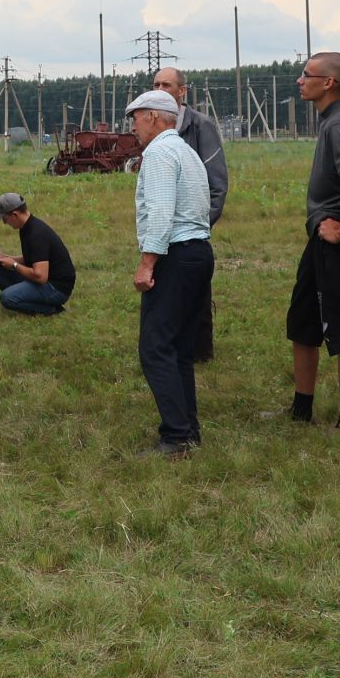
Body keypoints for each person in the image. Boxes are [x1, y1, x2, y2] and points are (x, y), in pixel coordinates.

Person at [285, 52, 340, 430]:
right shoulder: (334, 121)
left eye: (307, 74)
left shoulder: (339, 125)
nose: (299, 81)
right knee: (303, 322)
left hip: (335, 241)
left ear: (329, 83)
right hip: (321, 240)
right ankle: (301, 410)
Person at [126, 88, 215, 456]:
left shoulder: (160, 152)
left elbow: (161, 214)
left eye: (135, 117)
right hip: (198, 253)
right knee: (178, 349)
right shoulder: (185, 150)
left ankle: (177, 436)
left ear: (153, 116)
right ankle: (187, 429)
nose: (132, 126)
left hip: (174, 255)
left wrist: (148, 264)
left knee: (155, 348)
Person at [151, 66, 228, 223]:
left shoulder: (200, 125)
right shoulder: (152, 126)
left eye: (166, 85)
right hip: (161, 226)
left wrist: (200, 225)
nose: (160, 90)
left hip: (191, 231)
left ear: (182, 91)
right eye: (156, 85)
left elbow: (217, 184)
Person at [0, 191, 74, 316]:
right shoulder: (27, 227)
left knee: (7, 298)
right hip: (46, 280)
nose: (5, 223)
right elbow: (31, 259)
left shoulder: (36, 234)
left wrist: (14, 265)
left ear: (14, 215)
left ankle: (51, 310)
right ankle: (27, 296)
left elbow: (40, 277)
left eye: (4, 219)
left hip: (57, 289)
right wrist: (4, 257)